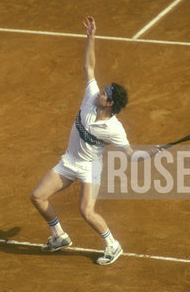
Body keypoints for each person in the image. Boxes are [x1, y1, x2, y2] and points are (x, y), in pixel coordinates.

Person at [30, 16, 160, 265]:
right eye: (104, 89)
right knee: (37, 196)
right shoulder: (90, 98)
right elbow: (89, 67)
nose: (100, 91)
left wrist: (150, 154)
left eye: (105, 93)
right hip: (70, 162)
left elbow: (131, 155)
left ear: (110, 104)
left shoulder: (115, 129)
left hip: (90, 167)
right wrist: (91, 37)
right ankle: (58, 235)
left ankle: (112, 244)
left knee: (86, 211)